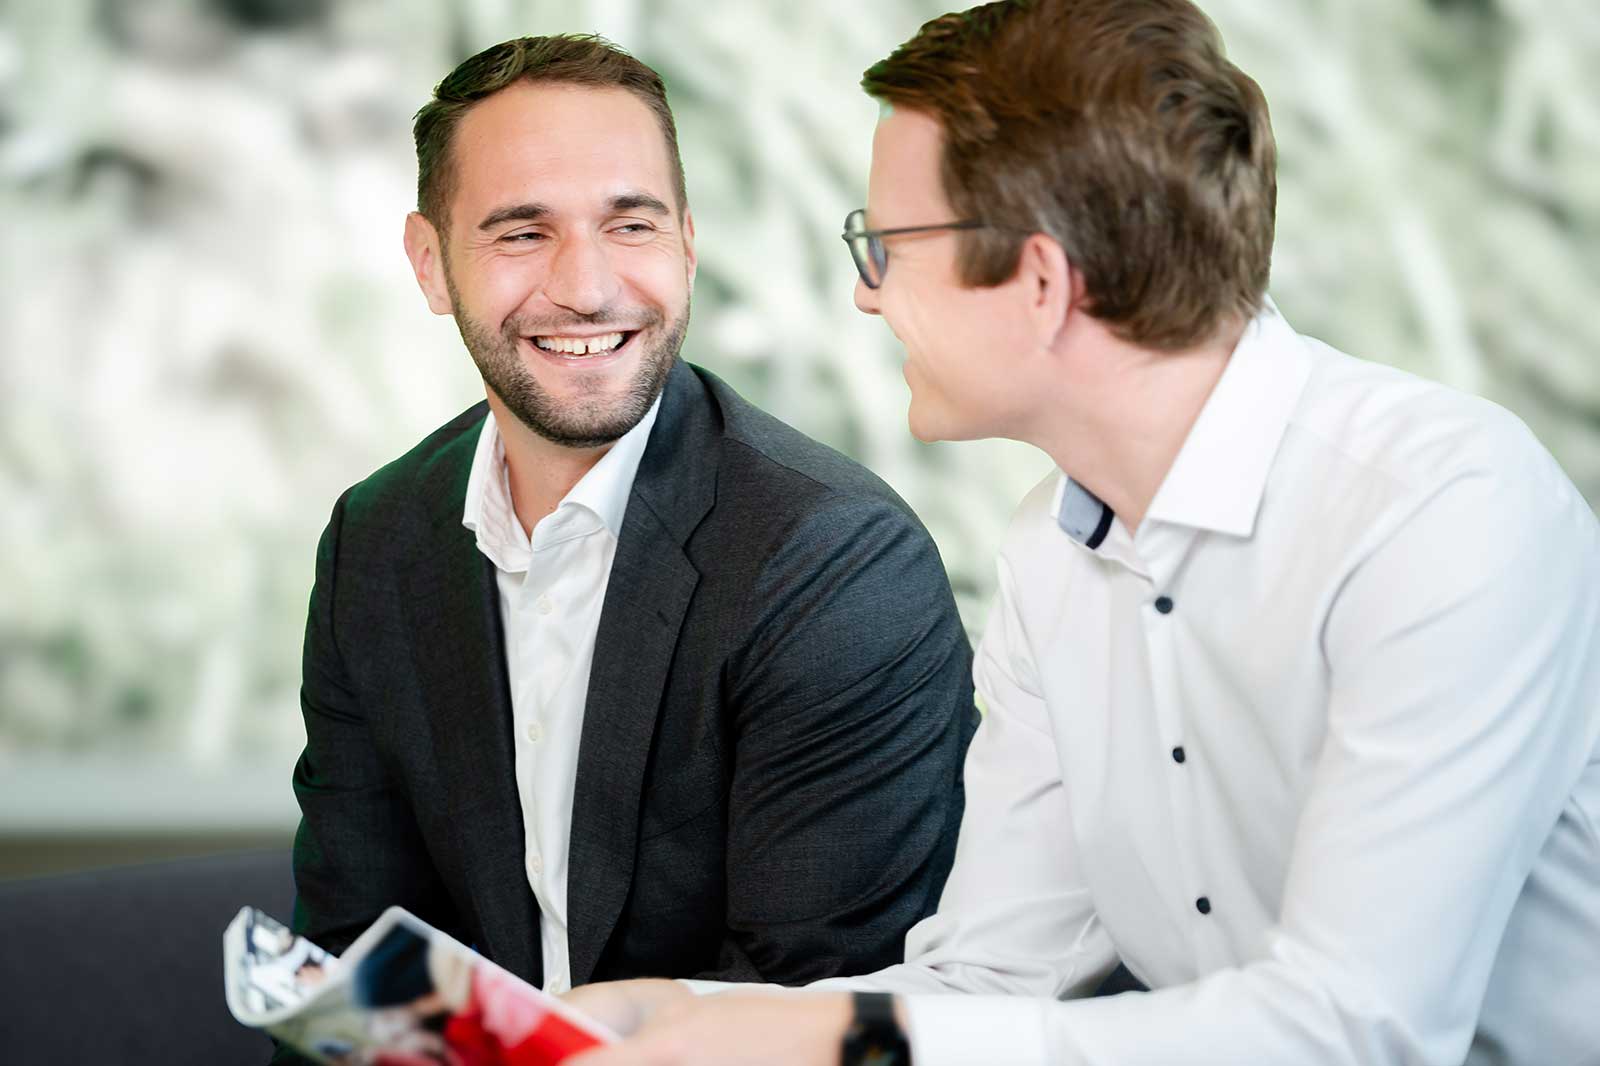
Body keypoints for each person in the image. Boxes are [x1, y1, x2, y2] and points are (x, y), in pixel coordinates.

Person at [561, 2, 1600, 1064]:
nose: (866, 297)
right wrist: (685, 1020)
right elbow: (993, 977)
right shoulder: (1048, 552)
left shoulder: (1439, 510)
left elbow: (1353, 1029)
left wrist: (823, 1035)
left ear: (1041, 282)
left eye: (886, 246)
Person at [284, 30, 977, 1052]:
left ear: (688, 242)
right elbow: (359, 963)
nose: (589, 285)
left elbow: (811, 1017)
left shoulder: (833, 563)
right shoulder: (376, 543)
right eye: (522, 233)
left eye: (632, 224)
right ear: (431, 264)